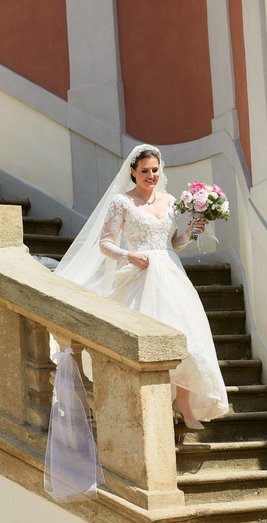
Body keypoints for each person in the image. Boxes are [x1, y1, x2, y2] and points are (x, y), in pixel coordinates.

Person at [55, 144, 228, 429]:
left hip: (171, 274)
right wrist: (128, 255)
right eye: (144, 171)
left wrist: (189, 233)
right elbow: (105, 243)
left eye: (155, 170)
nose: (151, 175)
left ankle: (183, 401)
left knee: (188, 336)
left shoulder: (171, 201)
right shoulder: (122, 202)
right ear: (133, 172)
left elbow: (172, 245)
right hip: (139, 275)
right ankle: (152, 402)